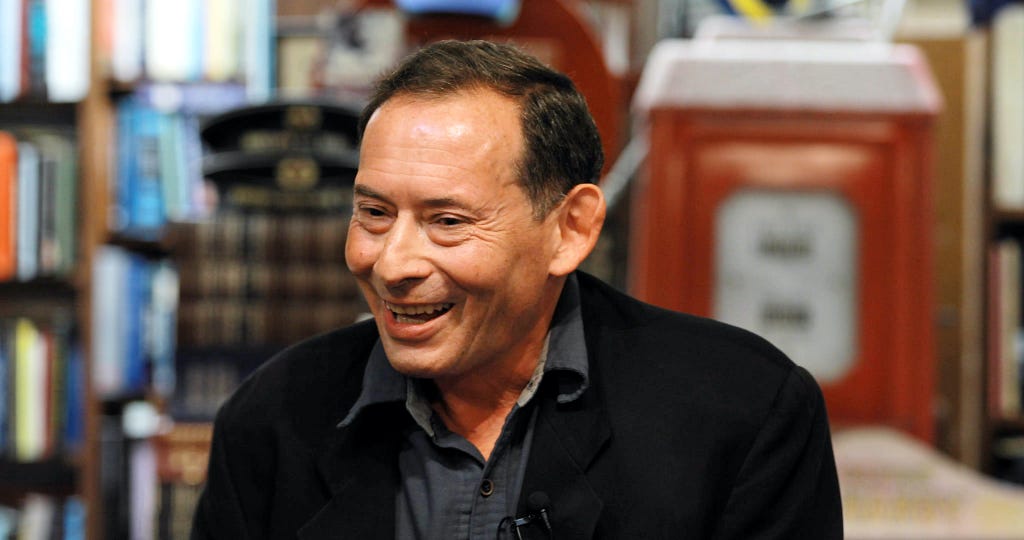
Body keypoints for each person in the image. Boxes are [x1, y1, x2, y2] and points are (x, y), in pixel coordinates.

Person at [191, 39, 843, 539]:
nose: (392, 264)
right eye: (374, 214)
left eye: (447, 221)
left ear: (570, 228)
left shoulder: (745, 416)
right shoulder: (272, 422)